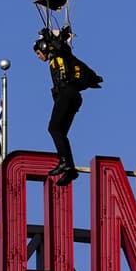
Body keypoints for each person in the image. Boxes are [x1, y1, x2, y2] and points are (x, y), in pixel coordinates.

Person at [33, 27, 102, 186]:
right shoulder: (57, 58)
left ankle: (65, 162)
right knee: (60, 132)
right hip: (72, 96)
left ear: (44, 47)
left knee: (54, 129)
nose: (38, 56)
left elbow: (61, 47)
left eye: (38, 52)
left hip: (67, 93)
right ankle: (69, 168)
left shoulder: (61, 53)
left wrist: (54, 36)